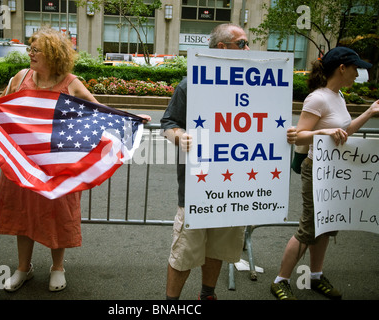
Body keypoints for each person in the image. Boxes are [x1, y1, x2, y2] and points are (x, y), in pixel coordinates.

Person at [161, 23, 296, 300]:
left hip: (232, 189)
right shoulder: (191, 83)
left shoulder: (256, 83)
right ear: (223, 48)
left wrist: (285, 134)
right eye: (242, 43)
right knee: (185, 252)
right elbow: (168, 123)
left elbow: (268, 122)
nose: (248, 49)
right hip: (198, 190)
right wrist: (179, 136)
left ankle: (207, 294)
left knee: (219, 249)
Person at [0, 27, 101, 292]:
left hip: (56, 165)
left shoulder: (70, 82)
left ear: (52, 54)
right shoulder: (21, 78)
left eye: (35, 49)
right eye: (30, 48)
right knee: (22, 214)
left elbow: (98, 111)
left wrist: (132, 119)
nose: (30, 53)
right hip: (22, 163)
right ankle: (23, 268)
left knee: (57, 214)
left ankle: (57, 267)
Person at [270, 47, 379, 300]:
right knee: (309, 228)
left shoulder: (338, 96)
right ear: (342, 68)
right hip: (316, 169)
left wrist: (368, 113)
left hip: (334, 170)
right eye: (355, 68)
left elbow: (343, 133)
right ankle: (280, 280)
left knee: (328, 226)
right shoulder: (318, 98)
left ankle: (316, 276)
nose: (358, 73)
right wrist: (324, 133)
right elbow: (298, 135)